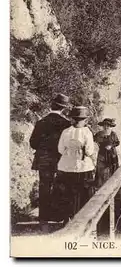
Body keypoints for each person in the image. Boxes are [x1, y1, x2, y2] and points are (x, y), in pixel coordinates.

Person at [29, 93, 71, 232]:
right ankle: (63, 218)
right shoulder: (66, 123)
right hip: (60, 159)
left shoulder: (41, 122)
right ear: (64, 109)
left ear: (51, 106)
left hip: (44, 160)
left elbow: (33, 143)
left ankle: (43, 220)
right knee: (63, 187)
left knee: (44, 187)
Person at [56, 106, 95, 224]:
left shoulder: (66, 132)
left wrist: (70, 153)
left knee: (67, 193)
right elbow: (89, 151)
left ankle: (67, 218)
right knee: (83, 193)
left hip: (66, 166)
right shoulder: (87, 132)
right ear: (84, 120)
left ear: (73, 119)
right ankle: (82, 220)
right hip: (83, 167)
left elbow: (60, 150)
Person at [94, 118, 120, 188]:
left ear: (110, 126)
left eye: (108, 125)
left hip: (112, 154)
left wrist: (111, 146)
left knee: (112, 169)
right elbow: (93, 140)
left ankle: (112, 186)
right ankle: (100, 186)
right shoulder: (99, 134)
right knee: (101, 170)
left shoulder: (113, 134)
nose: (106, 127)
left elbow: (117, 142)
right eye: (105, 125)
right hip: (102, 154)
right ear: (103, 126)